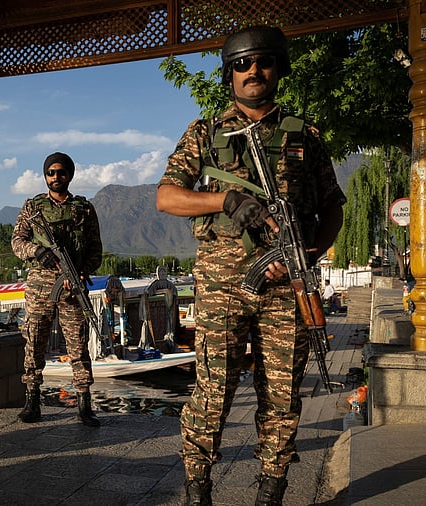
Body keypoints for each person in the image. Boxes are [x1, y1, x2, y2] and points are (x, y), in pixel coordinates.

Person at [155, 26, 345, 506]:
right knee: (213, 391)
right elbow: (167, 197)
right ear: (229, 74)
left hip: (286, 287)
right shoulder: (205, 132)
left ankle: (271, 489)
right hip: (222, 285)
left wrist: (307, 255)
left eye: (263, 61)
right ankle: (198, 488)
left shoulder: (306, 135)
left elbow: (332, 207)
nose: (253, 70)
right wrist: (225, 200)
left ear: (279, 68)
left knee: (281, 396)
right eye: (242, 64)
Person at [11, 152, 103, 427]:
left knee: (78, 345)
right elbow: (17, 241)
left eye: (61, 172)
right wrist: (37, 251)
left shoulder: (84, 209)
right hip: (41, 285)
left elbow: (95, 249)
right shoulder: (33, 207)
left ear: (70, 175)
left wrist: (82, 271)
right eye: (50, 172)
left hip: (72, 285)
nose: (55, 177)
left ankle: (84, 403)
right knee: (34, 341)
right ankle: (32, 399)